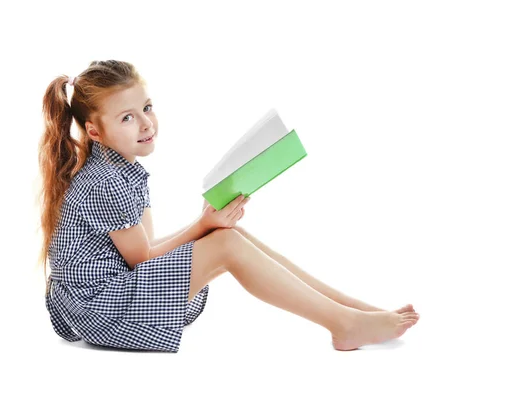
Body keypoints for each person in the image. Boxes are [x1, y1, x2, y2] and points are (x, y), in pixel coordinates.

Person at [38, 59, 420, 353]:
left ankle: (351, 309)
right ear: (94, 131)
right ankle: (344, 324)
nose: (145, 123)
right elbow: (142, 259)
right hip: (101, 309)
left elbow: (147, 251)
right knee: (225, 242)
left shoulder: (123, 170)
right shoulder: (105, 181)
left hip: (107, 297)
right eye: (127, 117)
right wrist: (203, 224)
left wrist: (208, 224)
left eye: (147, 107)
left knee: (230, 233)